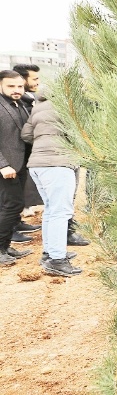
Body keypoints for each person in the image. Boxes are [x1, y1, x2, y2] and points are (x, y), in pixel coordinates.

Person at [21, 91, 83, 276]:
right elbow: (80, 133)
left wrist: (43, 142)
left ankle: (50, 253)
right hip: (57, 163)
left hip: (37, 164)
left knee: (50, 210)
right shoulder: (68, 105)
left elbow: (26, 135)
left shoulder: (38, 106)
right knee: (61, 212)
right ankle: (57, 260)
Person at [0, 70, 34, 265]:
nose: (16, 90)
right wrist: (3, 165)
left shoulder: (21, 104)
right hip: (6, 167)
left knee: (15, 205)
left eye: (19, 86)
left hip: (20, 165)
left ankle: (5, 246)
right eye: (11, 86)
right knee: (10, 206)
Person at [9, 64, 43, 244]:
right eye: (35, 79)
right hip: (10, 156)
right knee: (9, 199)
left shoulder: (26, 100)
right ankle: (9, 231)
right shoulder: (14, 102)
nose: (38, 82)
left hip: (23, 155)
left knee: (18, 195)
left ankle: (16, 222)